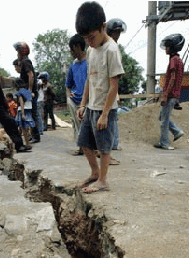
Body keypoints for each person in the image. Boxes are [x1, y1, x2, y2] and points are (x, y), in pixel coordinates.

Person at [75, 1, 124, 193]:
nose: (89, 41)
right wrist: (82, 104)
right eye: (85, 38)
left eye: (91, 37)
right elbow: (89, 79)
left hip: (106, 109)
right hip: (91, 107)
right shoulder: (90, 50)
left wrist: (104, 114)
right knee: (84, 143)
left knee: (104, 148)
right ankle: (95, 173)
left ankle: (103, 181)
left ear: (103, 27)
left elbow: (114, 85)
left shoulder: (111, 50)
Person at [154, 34, 185, 150]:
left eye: (168, 47)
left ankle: (165, 143)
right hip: (174, 94)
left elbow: (172, 79)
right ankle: (176, 132)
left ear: (173, 48)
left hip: (170, 94)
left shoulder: (173, 60)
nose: (166, 49)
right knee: (162, 117)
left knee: (163, 120)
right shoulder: (178, 60)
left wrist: (165, 95)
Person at [13, 42, 41, 143]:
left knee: (32, 114)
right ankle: (33, 135)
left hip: (30, 92)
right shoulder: (25, 62)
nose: (17, 55)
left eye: (17, 52)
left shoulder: (26, 62)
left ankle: (36, 136)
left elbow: (31, 75)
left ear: (21, 52)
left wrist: (29, 90)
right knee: (31, 114)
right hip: (29, 91)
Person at [106, 18, 127, 152]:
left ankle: (114, 143)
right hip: (107, 87)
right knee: (110, 117)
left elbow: (116, 74)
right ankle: (112, 143)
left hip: (112, 86)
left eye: (119, 32)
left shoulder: (113, 48)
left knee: (112, 117)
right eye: (115, 32)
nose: (117, 35)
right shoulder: (110, 48)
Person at [66, 34, 87, 156]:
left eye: (71, 49)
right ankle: (81, 148)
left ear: (77, 47)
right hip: (75, 100)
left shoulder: (89, 62)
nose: (71, 52)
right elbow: (68, 84)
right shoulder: (73, 65)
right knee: (77, 125)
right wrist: (69, 95)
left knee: (87, 124)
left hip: (87, 100)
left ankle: (90, 149)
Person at [14, 78, 35, 150]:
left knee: (23, 128)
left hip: (22, 110)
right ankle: (25, 140)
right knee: (28, 126)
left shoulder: (19, 92)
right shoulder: (28, 91)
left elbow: (21, 102)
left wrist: (22, 113)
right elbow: (33, 95)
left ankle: (27, 143)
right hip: (29, 109)